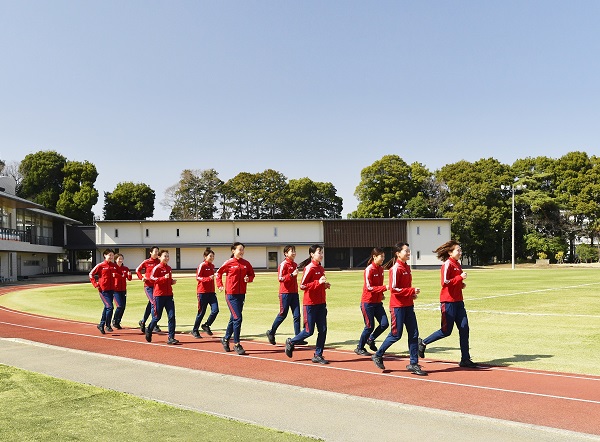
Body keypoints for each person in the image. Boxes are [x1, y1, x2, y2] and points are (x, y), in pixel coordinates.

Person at [418, 240, 477, 368]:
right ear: (450, 252)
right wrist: (460, 278)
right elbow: (444, 282)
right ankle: (423, 343)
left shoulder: (457, 264)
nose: (460, 252)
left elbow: (454, 282)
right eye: (458, 250)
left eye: (460, 250)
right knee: (446, 331)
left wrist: (461, 284)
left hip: (458, 301)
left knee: (464, 328)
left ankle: (465, 359)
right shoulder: (447, 264)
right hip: (448, 302)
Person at [371, 243, 427, 375]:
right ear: (397, 253)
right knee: (396, 334)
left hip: (408, 306)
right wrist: (411, 290)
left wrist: (411, 294)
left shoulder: (407, 267)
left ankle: (413, 363)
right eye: (405, 251)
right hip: (398, 307)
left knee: (414, 334)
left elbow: (403, 288)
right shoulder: (395, 269)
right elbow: (394, 289)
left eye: (409, 251)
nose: (408, 253)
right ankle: (378, 354)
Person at [285, 244, 331, 364]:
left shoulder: (321, 268)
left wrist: (324, 285)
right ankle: (291, 342)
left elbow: (317, 285)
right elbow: (302, 286)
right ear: (312, 254)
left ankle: (318, 354)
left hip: (321, 303)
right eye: (318, 252)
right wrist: (317, 282)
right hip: (310, 304)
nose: (321, 255)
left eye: (322, 253)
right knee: (308, 331)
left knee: (323, 330)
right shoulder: (309, 268)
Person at [216, 242, 255, 355]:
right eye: (239, 249)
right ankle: (237, 343)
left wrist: (249, 278)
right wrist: (220, 285)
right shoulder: (229, 263)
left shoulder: (246, 263)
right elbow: (218, 273)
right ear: (233, 251)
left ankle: (226, 339)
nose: (242, 252)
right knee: (238, 318)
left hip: (241, 294)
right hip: (231, 295)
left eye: (243, 250)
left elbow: (252, 274)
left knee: (233, 318)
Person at [266, 245, 302, 346]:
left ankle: (298, 337)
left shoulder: (294, 264)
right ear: (286, 253)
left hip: (294, 293)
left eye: (295, 251)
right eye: (292, 251)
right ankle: (271, 332)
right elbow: (280, 278)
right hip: (285, 293)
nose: (294, 253)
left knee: (297, 315)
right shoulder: (283, 264)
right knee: (283, 314)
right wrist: (291, 275)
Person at [355, 247, 389, 356]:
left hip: (377, 302)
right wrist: (384, 288)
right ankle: (359, 347)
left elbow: (378, 285)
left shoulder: (381, 269)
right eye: (381, 256)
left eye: (384, 256)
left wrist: (381, 294)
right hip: (368, 302)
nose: (383, 258)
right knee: (369, 326)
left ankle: (371, 338)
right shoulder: (369, 269)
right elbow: (369, 287)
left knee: (384, 324)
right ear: (374, 257)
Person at [145, 249, 178, 345]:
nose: (167, 258)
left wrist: (171, 281)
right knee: (157, 317)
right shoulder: (157, 268)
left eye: (168, 256)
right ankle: (149, 329)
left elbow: (168, 280)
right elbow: (152, 278)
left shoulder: (169, 268)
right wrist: (164, 278)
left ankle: (171, 338)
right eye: (165, 256)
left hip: (169, 295)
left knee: (172, 316)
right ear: (159, 257)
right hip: (159, 295)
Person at [191, 248, 219, 338]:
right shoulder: (202, 265)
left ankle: (206, 325)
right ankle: (195, 330)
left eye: (213, 256)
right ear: (205, 256)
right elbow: (198, 277)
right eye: (210, 256)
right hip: (202, 292)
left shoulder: (212, 266)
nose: (212, 258)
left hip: (211, 292)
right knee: (201, 312)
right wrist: (208, 278)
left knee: (215, 310)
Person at [89, 248, 117, 334]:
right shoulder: (100, 265)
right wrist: (96, 284)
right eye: (109, 255)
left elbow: (120, 274)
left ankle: (102, 324)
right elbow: (91, 274)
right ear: (105, 255)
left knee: (107, 307)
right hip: (103, 290)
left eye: (112, 255)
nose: (111, 257)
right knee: (110, 307)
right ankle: (106, 325)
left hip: (111, 289)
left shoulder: (114, 265)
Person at [136, 246, 162, 334]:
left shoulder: (159, 262)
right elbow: (137, 270)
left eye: (158, 251)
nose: (157, 253)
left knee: (151, 304)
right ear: (150, 252)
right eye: (155, 251)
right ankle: (154, 324)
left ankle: (143, 321)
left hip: (157, 287)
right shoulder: (146, 262)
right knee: (154, 303)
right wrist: (141, 277)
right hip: (148, 286)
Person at [112, 253, 132, 329]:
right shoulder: (113, 267)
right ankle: (114, 320)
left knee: (123, 307)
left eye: (121, 259)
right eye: (119, 259)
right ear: (115, 259)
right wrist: (121, 276)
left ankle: (118, 321)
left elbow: (129, 278)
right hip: (115, 290)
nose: (120, 260)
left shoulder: (125, 268)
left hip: (123, 289)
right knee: (119, 306)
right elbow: (114, 275)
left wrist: (129, 274)